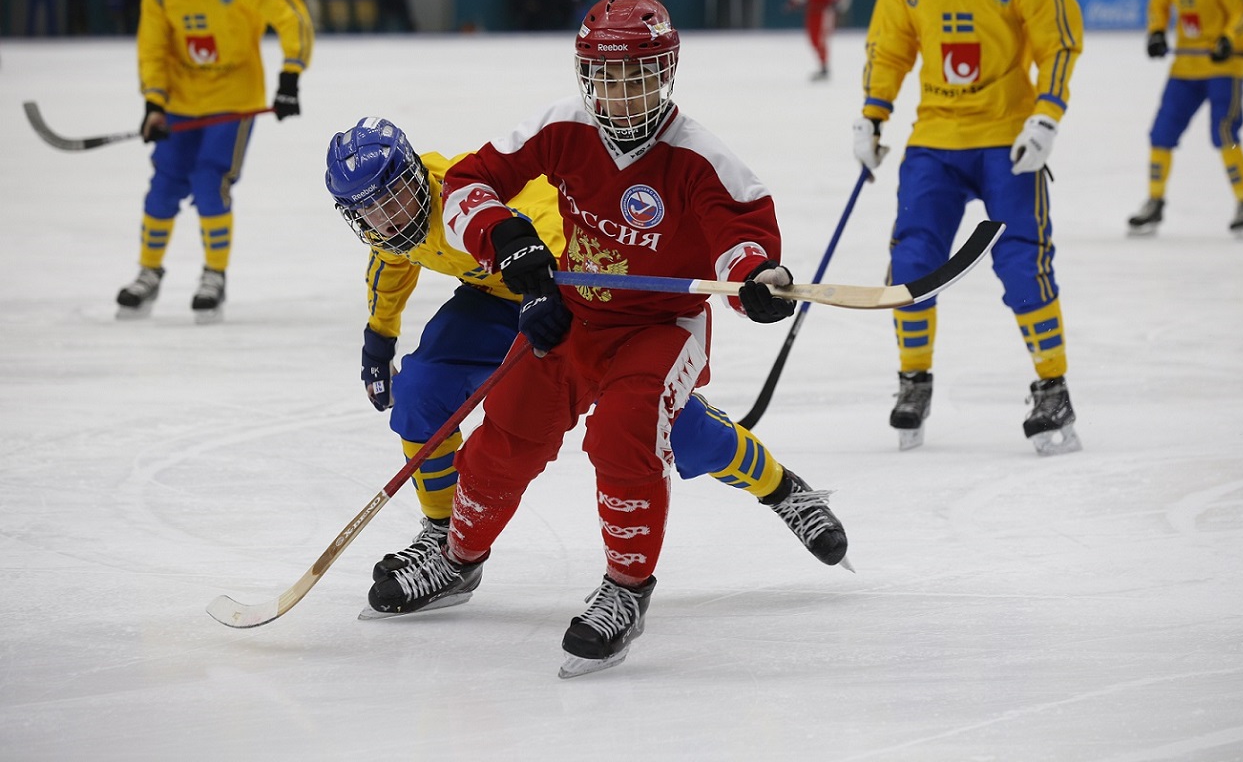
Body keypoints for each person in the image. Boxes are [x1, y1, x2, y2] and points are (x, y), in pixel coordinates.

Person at [369, 0, 813, 678]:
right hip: (580, 314)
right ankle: (457, 557)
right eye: (606, 77)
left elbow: (743, 240)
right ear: (586, 75)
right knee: (504, 439)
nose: (621, 93)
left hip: (661, 328)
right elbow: (466, 183)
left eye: (637, 76)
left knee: (624, 434)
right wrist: (508, 239)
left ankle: (628, 589)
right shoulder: (563, 128)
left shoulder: (701, 158)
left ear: (664, 72)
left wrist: (757, 279)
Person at [323, 116, 850, 616]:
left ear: (416, 174)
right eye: (371, 212)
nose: (389, 218)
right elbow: (392, 261)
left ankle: (783, 489)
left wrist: (541, 288)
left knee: (672, 432)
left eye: (395, 196)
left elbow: (551, 227)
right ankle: (445, 538)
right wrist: (379, 337)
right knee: (420, 390)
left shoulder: (456, 192)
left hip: (576, 296)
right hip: (496, 303)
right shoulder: (388, 230)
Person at [851, 0, 1084, 456]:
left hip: (1008, 142)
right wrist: (872, 116)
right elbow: (889, 49)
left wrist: (1046, 116)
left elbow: (1059, 39)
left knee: (1023, 265)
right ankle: (914, 381)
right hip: (935, 142)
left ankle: (1053, 387)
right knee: (911, 261)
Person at [114, 0, 313, 323]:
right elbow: (152, 50)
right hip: (181, 107)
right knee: (163, 186)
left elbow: (292, 15)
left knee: (210, 183)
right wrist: (154, 103)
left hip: (233, 105)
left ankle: (214, 275)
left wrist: (290, 76)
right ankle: (149, 271)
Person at [1128, 0, 1243, 237]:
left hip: (1223, 68)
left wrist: (1229, 40)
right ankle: (1154, 202)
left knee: (1224, 134)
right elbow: (1157, 7)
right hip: (1185, 68)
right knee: (1161, 134)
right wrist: (1156, 32)